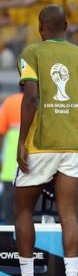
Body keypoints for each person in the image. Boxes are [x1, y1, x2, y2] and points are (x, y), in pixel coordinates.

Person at [2, 5, 78, 276]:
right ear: (67, 26)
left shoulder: (31, 53)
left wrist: (22, 142)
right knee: (68, 214)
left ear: (41, 26)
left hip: (40, 145)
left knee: (23, 210)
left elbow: (31, 99)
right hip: (73, 146)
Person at [0, 89, 22, 224]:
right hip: (33, 167)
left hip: (10, 167)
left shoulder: (9, 102)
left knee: (9, 214)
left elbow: (1, 133)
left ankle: (9, 242)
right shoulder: (40, 102)